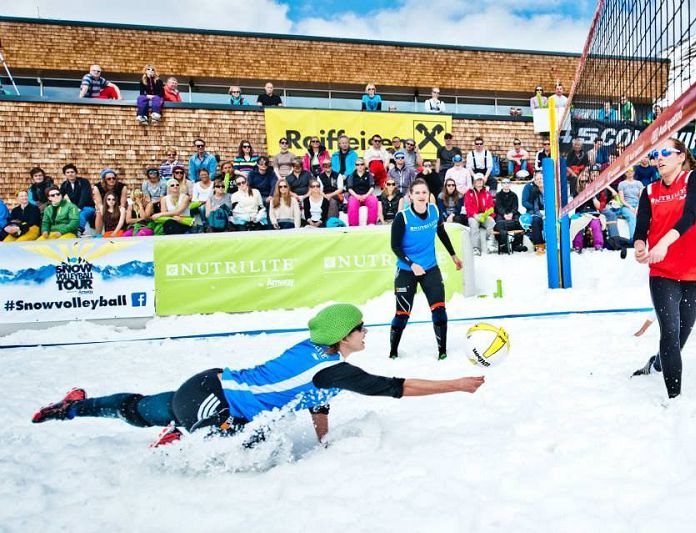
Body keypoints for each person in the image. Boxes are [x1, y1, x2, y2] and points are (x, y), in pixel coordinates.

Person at [31, 303, 485, 447]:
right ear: (342, 336)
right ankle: (183, 435)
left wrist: (324, 442)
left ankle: (73, 407)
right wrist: (457, 385)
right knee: (252, 443)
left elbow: (317, 402)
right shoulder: (334, 370)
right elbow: (396, 388)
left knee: (136, 410)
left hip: (206, 384)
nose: (366, 333)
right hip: (213, 404)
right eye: (361, 328)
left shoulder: (318, 359)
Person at [630, 139, 696, 399]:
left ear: (681, 157)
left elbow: (689, 217)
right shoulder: (650, 190)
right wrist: (640, 246)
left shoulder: (694, 179)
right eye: (657, 153)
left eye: (667, 152)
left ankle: (656, 364)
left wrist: (663, 244)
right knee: (669, 333)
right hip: (663, 270)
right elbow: (641, 227)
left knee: (680, 338)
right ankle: (674, 399)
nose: (660, 157)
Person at [390, 179, 463, 360]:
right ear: (410, 196)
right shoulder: (402, 217)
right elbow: (395, 247)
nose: (421, 196)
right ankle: (393, 352)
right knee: (402, 314)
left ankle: (442, 352)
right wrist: (412, 264)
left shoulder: (434, 211)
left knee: (439, 310)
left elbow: (441, 233)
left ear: (429, 194)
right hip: (407, 270)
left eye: (424, 192)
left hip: (430, 268)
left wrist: (453, 255)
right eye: (417, 193)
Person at [569, 170, 604, 253]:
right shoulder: (576, 192)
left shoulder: (594, 190)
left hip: (592, 214)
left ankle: (598, 245)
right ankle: (577, 246)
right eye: (582, 181)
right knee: (577, 223)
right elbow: (572, 206)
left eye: (586, 181)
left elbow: (598, 206)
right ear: (579, 182)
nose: (584, 183)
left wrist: (592, 195)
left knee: (596, 223)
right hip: (580, 214)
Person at [464, 174, 495, 256]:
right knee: (474, 225)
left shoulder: (487, 193)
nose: (479, 181)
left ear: (483, 181)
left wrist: (486, 214)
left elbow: (491, 205)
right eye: (477, 180)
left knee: (491, 222)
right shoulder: (469, 193)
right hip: (473, 215)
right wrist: (475, 215)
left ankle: (490, 243)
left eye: (481, 180)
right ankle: (476, 248)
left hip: (484, 215)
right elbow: (468, 206)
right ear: (474, 182)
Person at [59, 163, 95, 233]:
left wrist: (78, 208)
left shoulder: (83, 182)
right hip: (75, 208)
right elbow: (59, 196)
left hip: (88, 207)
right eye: (68, 172)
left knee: (80, 214)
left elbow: (84, 196)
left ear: (76, 173)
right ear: (65, 174)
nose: (70, 174)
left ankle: (79, 230)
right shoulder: (65, 184)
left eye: (72, 172)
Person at [494, 178, 526, 253]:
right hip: (501, 214)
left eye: (508, 183)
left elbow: (515, 207)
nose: (506, 184)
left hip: (512, 213)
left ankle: (517, 243)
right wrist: (504, 214)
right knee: (499, 223)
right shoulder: (498, 195)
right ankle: (503, 244)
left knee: (519, 221)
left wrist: (511, 214)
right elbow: (499, 207)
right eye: (504, 183)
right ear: (501, 185)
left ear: (510, 184)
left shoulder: (514, 195)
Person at [346, 158, 378, 226]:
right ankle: (353, 225)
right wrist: (357, 196)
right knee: (352, 203)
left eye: (361, 164)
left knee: (373, 201)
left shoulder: (369, 175)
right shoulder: (351, 175)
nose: (359, 166)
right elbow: (349, 188)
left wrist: (366, 195)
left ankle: (371, 223)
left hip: (367, 195)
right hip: (355, 195)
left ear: (364, 165)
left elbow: (372, 187)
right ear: (355, 166)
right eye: (357, 164)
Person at [520, 172, 545, 252]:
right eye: (537, 179)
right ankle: (539, 245)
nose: (539, 180)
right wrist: (537, 211)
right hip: (535, 211)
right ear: (534, 180)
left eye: (541, 178)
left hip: (548, 211)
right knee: (535, 220)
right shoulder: (531, 189)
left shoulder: (549, 188)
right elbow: (525, 202)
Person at [617, 167, 644, 239]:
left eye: (631, 171)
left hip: (638, 205)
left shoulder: (639, 183)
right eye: (627, 171)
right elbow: (622, 200)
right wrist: (630, 207)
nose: (629, 173)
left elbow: (641, 198)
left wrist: (638, 207)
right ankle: (634, 238)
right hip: (626, 206)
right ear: (625, 173)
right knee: (632, 217)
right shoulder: (621, 184)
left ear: (634, 172)